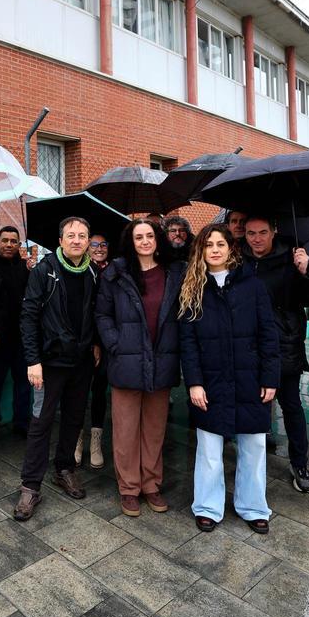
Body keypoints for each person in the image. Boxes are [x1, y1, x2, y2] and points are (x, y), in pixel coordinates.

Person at [179, 224, 280, 535]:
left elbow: (268, 334)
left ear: (231, 248)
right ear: (201, 250)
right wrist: (194, 382)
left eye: (221, 243)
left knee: (254, 445)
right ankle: (208, 506)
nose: (215, 250)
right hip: (211, 380)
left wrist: (270, 377)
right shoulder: (193, 287)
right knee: (209, 447)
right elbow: (188, 341)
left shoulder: (253, 285)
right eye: (208, 244)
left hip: (250, 378)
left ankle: (253, 507)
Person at [14, 217, 101, 521]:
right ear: (61, 240)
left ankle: (64, 469)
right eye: (71, 235)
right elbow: (27, 316)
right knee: (41, 421)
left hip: (81, 362)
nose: (77, 240)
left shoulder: (92, 271)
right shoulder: (45, 270)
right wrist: (32, 360)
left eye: (82, 235)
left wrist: (95, 343)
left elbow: (93, 312)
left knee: (75, 418)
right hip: (49, 363)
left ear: (88, 240)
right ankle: (30, 485)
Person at [95, 220, 184, 516]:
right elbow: (102, 314)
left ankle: (151, 484)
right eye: (138, 237)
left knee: (155, 429)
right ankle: (129, 488)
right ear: (130, 242)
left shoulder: (176, 272)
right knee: (125, 430)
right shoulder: (116, 272)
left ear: (158, 239)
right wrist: (115, 343)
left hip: (162, 360)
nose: (145, 241)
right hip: (127, 360)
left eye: (149, 236)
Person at [242, 214, 309, 493]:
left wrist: (304, 271)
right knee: (254, 404)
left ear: (274, 231)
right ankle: (252, 460)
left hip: (283, 342)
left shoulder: (293, 256)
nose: (256, 239)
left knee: (291, 404)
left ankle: (299, 462)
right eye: (251, 233)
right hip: (250, 344)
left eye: (262, 232)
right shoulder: (241, 260)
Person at [0, 226, 31, 444]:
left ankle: (22, 423)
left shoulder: (24, 267)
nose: (9, 245)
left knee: (23, 383)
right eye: (5, 240)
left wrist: (33, 270)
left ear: (19, 245)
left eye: (14, 241)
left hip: (21, 337)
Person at [76, 233, 111, 468]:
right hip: (83, 341)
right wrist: (91, 343)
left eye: (103, 244)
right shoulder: (81, 272)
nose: (99, 248)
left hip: (106, 341)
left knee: (99, 390)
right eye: (94, 244)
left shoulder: (114, 271)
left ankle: (96, 442)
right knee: (78, 392)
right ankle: (76, 440)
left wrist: (101, 342)